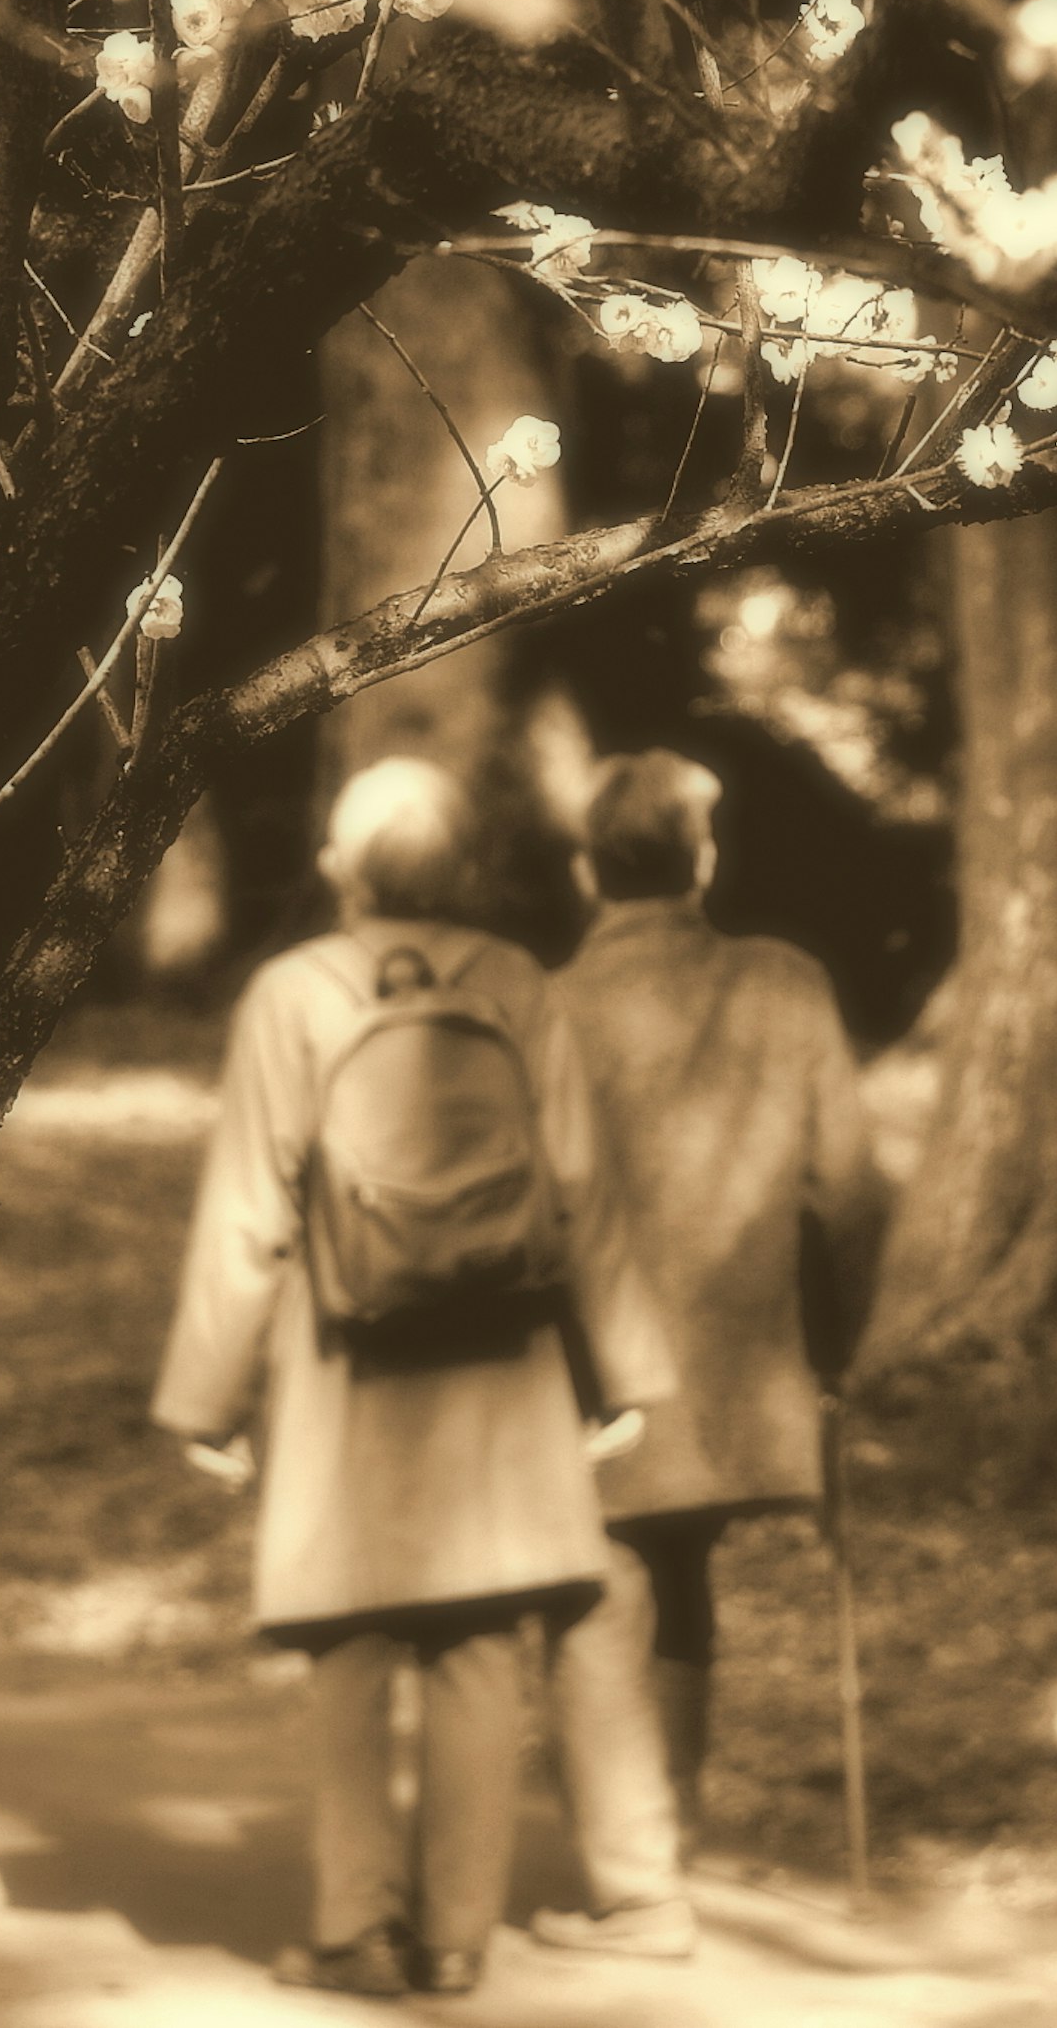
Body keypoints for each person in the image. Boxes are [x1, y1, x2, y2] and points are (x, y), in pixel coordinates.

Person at [152, 757, 676, 2002]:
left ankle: (351, 1928)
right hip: (504, 1363)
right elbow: (579, 1184)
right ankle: (453, 1938)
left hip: (345, 1362)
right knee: (482, 1640)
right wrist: (624, 1371)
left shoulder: (292, 992)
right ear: (466, 868)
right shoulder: (517, 984)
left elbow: (247, 1209)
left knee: (349, 1643)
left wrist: (206, 1398)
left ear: (345, 867)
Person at [530, 749, 892, 1962]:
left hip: (601, 1368)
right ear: (705, 862)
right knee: (675, 1567)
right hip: (741, 1362)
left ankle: (641, 1883)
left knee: (605, 1589)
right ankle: (663, 1822)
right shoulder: (786, 983)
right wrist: (838, 1338)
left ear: (589, 870)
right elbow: (849, 1191)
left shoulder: (552, 1005)